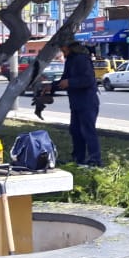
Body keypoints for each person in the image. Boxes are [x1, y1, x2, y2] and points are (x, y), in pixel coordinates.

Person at [56, 33, 102, 167]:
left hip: (87, 102)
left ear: (69, 47)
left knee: (88, 131)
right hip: (76, 103)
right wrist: (51, 87)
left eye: (63, 48)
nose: (62, 51)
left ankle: (95, 160)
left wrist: (70, 83)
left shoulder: (82, 59)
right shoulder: (70, 60)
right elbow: (64, 80)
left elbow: (88, 80)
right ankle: (78, 158)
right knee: (75, 131)